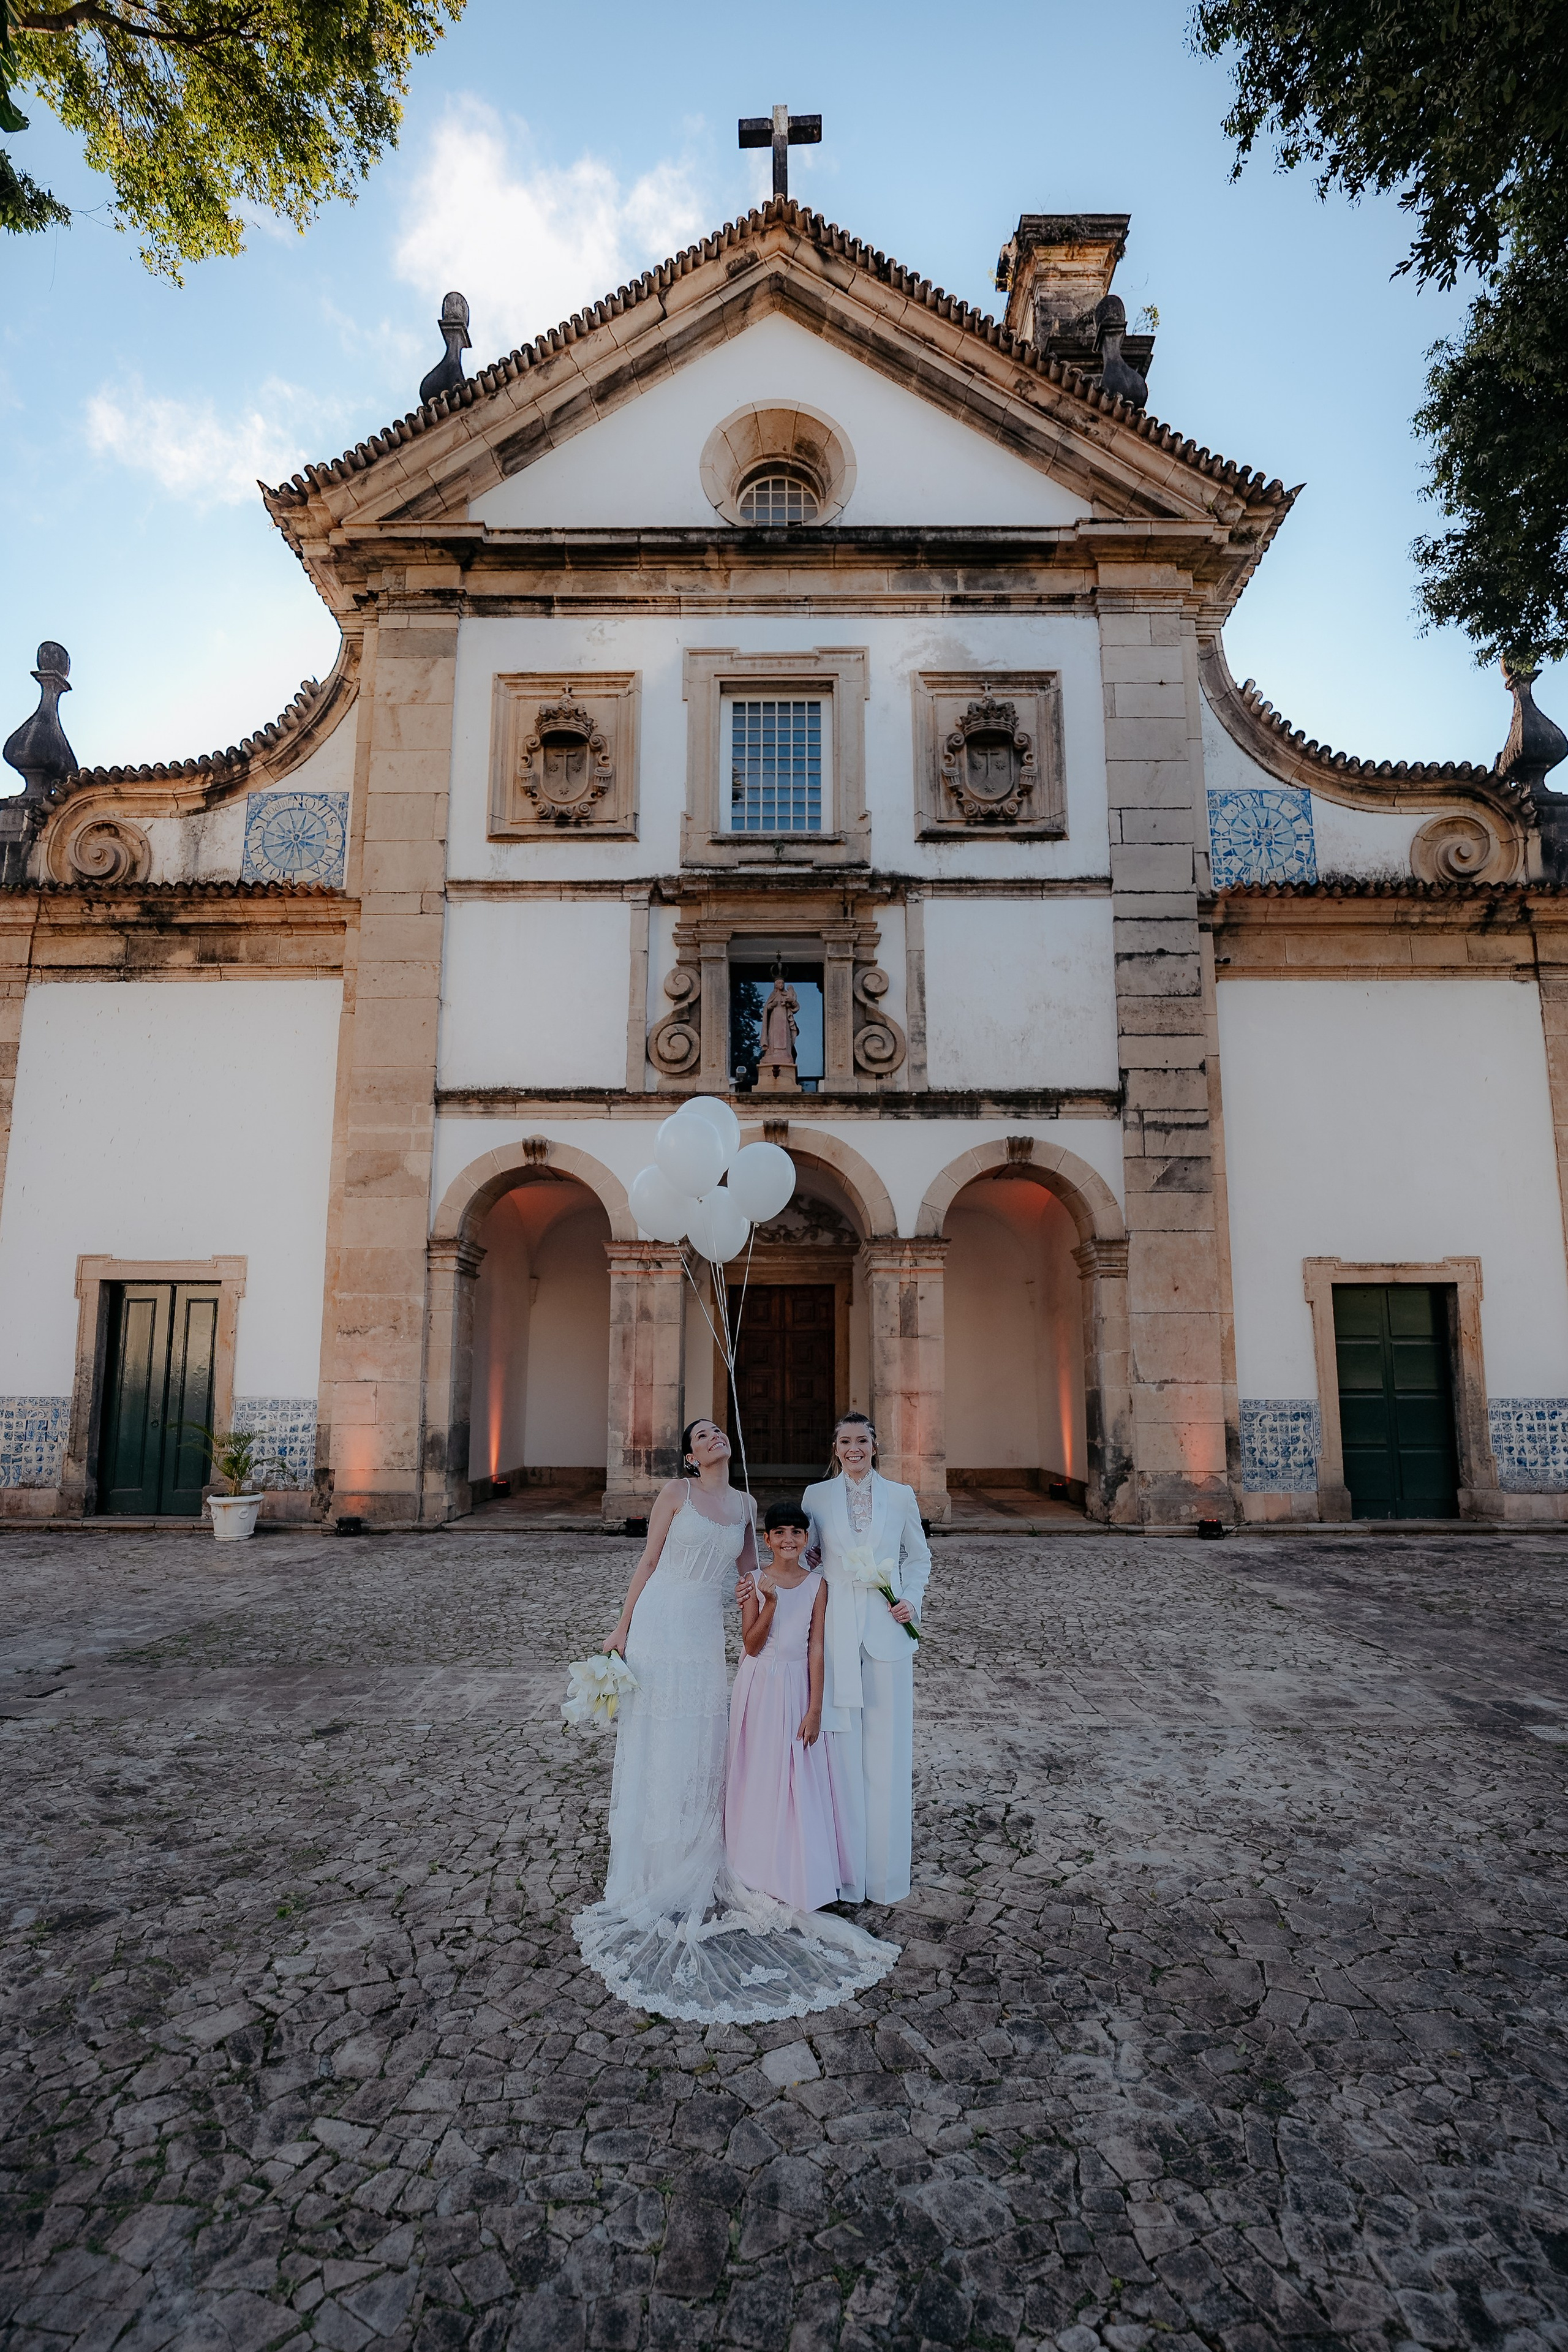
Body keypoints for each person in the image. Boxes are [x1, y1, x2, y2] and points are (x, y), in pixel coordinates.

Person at [571, 1420, 897, 2024]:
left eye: (718, 1431)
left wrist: (799, 1566)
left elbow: (753, 1572)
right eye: (702, 1435)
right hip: (661, 1618)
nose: (714, 1437)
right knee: (659, 1732)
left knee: (700, 1734)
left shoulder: (746, 1505)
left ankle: (698, 1840)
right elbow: (648, 1561)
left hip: (701, 1629)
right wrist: (621, 1627)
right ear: (691, 1457)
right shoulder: (676, 1493)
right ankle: (654, 1857)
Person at [802, 1412, 930, 1907]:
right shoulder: (817, 1497)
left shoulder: (901, 1496)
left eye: (862, 1440)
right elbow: (807, 1558)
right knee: (841, 1755)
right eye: (845, 1441)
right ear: (835, 1449)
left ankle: (886, 1876)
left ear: (875, 1446)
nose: (853, 1448)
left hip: (887, 1634)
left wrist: (911, 1600)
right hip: (836, 1634)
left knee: (889, 1752)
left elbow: (918, 1557)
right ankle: (845, 1873)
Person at [724, 1503, 853, 1912]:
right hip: (760, 1684)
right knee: (761, 1769)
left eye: (796, 1532)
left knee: (799, 1772)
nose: (788, 1540)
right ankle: (755, 1860)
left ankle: (798, 1862)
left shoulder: (818, 1585)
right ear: (767, 1539)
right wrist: (770, 1603)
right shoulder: (753, 1581)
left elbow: (816, 1646)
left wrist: (815, 1709)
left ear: (806, 1538)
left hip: (798, 1684)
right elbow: (751, 1645)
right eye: (779, 1533)